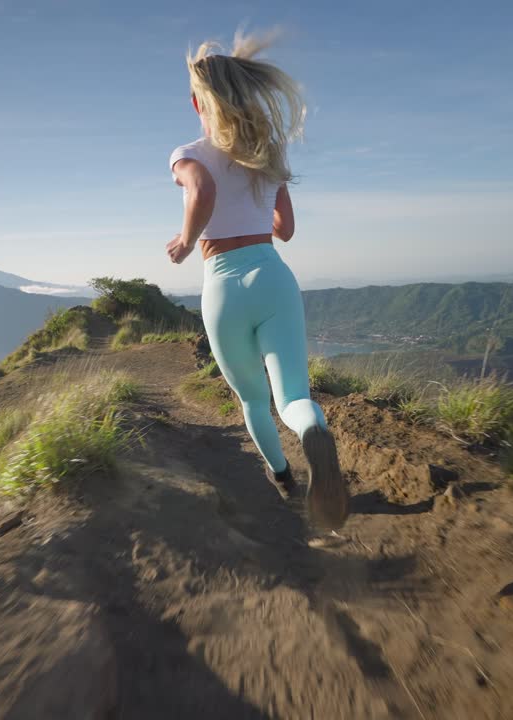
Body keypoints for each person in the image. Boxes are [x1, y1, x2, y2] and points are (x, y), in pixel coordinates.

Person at [166, 30, 348, 530]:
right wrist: (256, 203)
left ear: (196, 101)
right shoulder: (267, 156)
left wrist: (185, 240)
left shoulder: (188, 153)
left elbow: (200, 189)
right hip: (273, 277)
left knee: (252, 399)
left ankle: (284, 476)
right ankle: (315, 433)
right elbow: (285, 230)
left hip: (222, 283)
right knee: (293, 398)